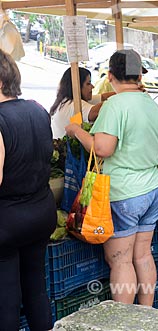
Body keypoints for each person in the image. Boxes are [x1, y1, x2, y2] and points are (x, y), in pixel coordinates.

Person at [65, 49, 158, 306]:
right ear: (139, 76)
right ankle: (146, 313)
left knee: (120, 260)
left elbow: (102, 149)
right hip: (153, 187)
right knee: (143, 255)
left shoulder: (115, 105)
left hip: (125, 193)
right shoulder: (151, 103)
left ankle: (123, 320)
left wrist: (76, 130)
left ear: (110, 76)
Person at [0, 49, 56, 330]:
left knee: (7, 299)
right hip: (41, 213)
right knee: (36, 289)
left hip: (8, 223)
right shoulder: (38, 109)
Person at [50, 67, 114, 139]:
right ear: (77, 86)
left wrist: (123, 91)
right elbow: (94, 112)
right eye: (88, 83)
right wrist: (120, 99)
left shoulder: (66, 100)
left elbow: (103, 97)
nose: (92, 87)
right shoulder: (73, 104)